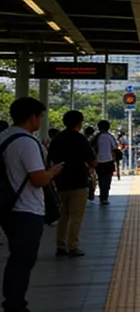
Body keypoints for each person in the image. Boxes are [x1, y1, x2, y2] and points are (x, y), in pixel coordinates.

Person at [1, 97, 64, 312]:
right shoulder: (27, 142)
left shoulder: (4, 136)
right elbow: (37, 179)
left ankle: (13, 304)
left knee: (17, 258)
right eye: (40, 116)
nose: (41, 121)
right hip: (26, 209)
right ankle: (15, 308)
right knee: (23, 260)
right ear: (32, 117)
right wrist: (53, 172)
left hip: (9, 207)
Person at [48, 110, 96, 257]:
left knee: (64, 214)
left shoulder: (57, 138)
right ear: (80, 122)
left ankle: (60, 246)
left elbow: (50, 158)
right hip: (79, 181)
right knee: (76, 216)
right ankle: (72, 246)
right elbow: (93, 161)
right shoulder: (80, 139)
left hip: (61, 181)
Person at [93, 121, 119, 205]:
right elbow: (115, 147)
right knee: (107, 180)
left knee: (100, 179)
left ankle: (102, 195)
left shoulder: (96, 137)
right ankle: (104, 197)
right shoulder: (110, 137)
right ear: (108, 127)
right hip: (108, 161)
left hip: (98, 162)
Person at [83, 125, 96, 200]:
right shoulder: (85, 141)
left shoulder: (83, 138)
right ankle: (90, 194)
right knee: (91, 178)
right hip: (87, 164)